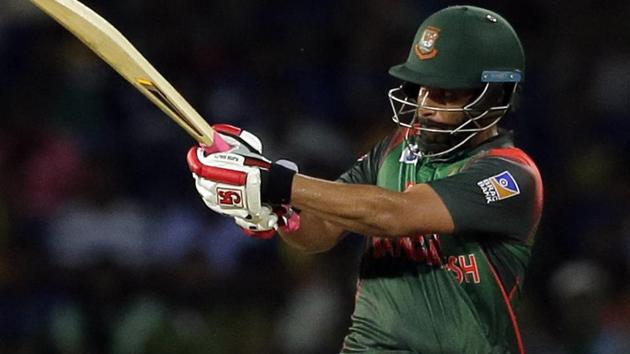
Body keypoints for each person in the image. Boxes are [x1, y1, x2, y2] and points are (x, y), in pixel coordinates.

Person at [187, 5, 543, 354]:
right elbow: (320, 230)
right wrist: (280, 212)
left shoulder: (510, 176)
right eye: (422, 88)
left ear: (495, 95)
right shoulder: (395, 147)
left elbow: (394, 215)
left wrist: (274, 180)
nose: (426, 104)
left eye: (447, 93)